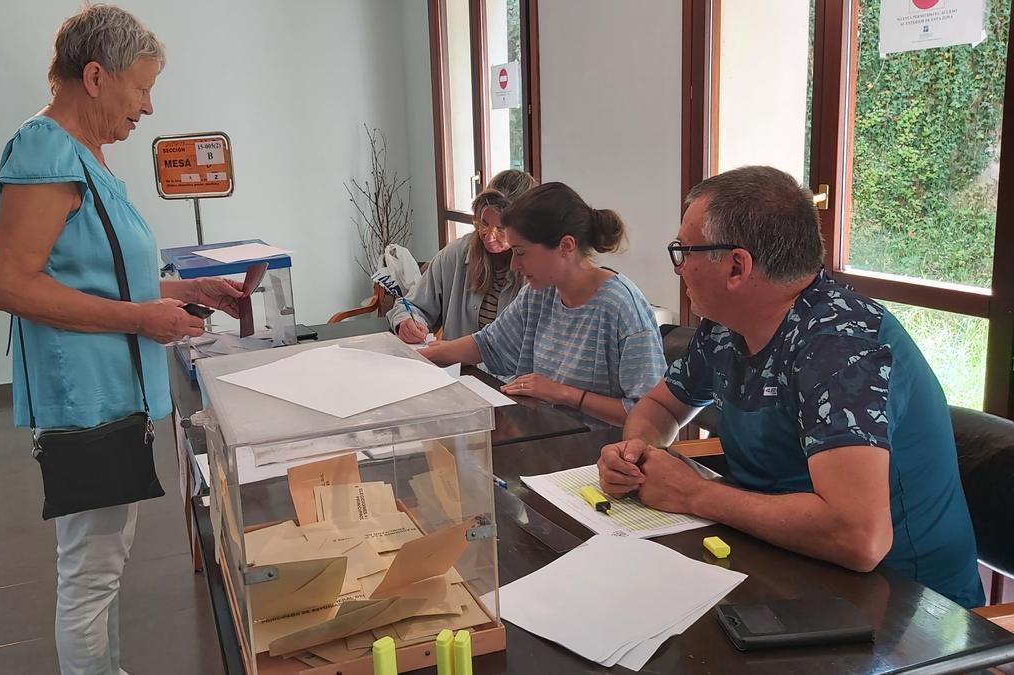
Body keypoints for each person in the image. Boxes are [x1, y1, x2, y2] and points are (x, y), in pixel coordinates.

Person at [0, 6, 242, 673]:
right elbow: (9, 284)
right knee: (91, 572)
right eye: (141, 87)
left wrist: (179, 293)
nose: (149, 107)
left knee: (104, 563)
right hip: (87, 400)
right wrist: (142, 319)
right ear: (96, 77)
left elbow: (97, 273)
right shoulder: (45, 150)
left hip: (112, 394)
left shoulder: (83, 155)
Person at [597, 165, 985, 608]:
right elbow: (661, 408)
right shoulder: (727, 327)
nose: (680, 267)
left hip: (907, 608)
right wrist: (638, 454)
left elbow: (860, 538)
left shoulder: (839, 346)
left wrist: (694, 492)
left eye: (685, 251)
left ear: (737, 266)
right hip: (784, 567)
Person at [421, 182, 666, 428]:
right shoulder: (539, 294)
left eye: (521, 252)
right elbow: (487, 345)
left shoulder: (621, 308)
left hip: (596, 454)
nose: (514, 265)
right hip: (544, 436)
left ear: (566, 247)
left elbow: (650, 416)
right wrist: (418, 357)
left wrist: (564, 393)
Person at [388, 169, 537, 343]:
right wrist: (407, 322)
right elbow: (411, 305)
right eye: (484, 223)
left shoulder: (538, 271)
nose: (488, 236)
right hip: (457, 368)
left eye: (501, 228)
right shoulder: (456, 254)